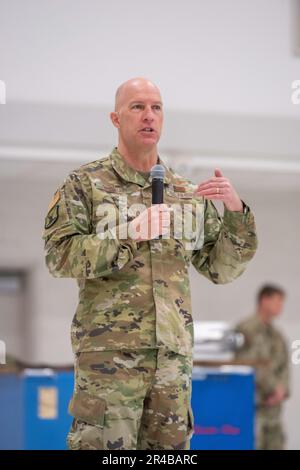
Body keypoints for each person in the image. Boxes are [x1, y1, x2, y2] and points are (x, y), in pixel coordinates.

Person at [42, 77, 258, 450]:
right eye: (137, 107)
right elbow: (59, 256)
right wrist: (127, 235)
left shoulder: (187, 194)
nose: (149, 116)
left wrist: (236, 214)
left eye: (156, 108)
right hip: (109, 358)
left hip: (171, 362)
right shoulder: (86, 184)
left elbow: (222, 269)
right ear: (115, 118)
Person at [234, 284, 290, 450]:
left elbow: (284, 366)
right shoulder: (246, 329)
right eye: (278, 301)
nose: (281, 307)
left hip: (273, 410)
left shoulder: (277, 335)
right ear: (264, 300)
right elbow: (248, 363)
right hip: (254, 406)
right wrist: (272, 388)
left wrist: (282, 390)